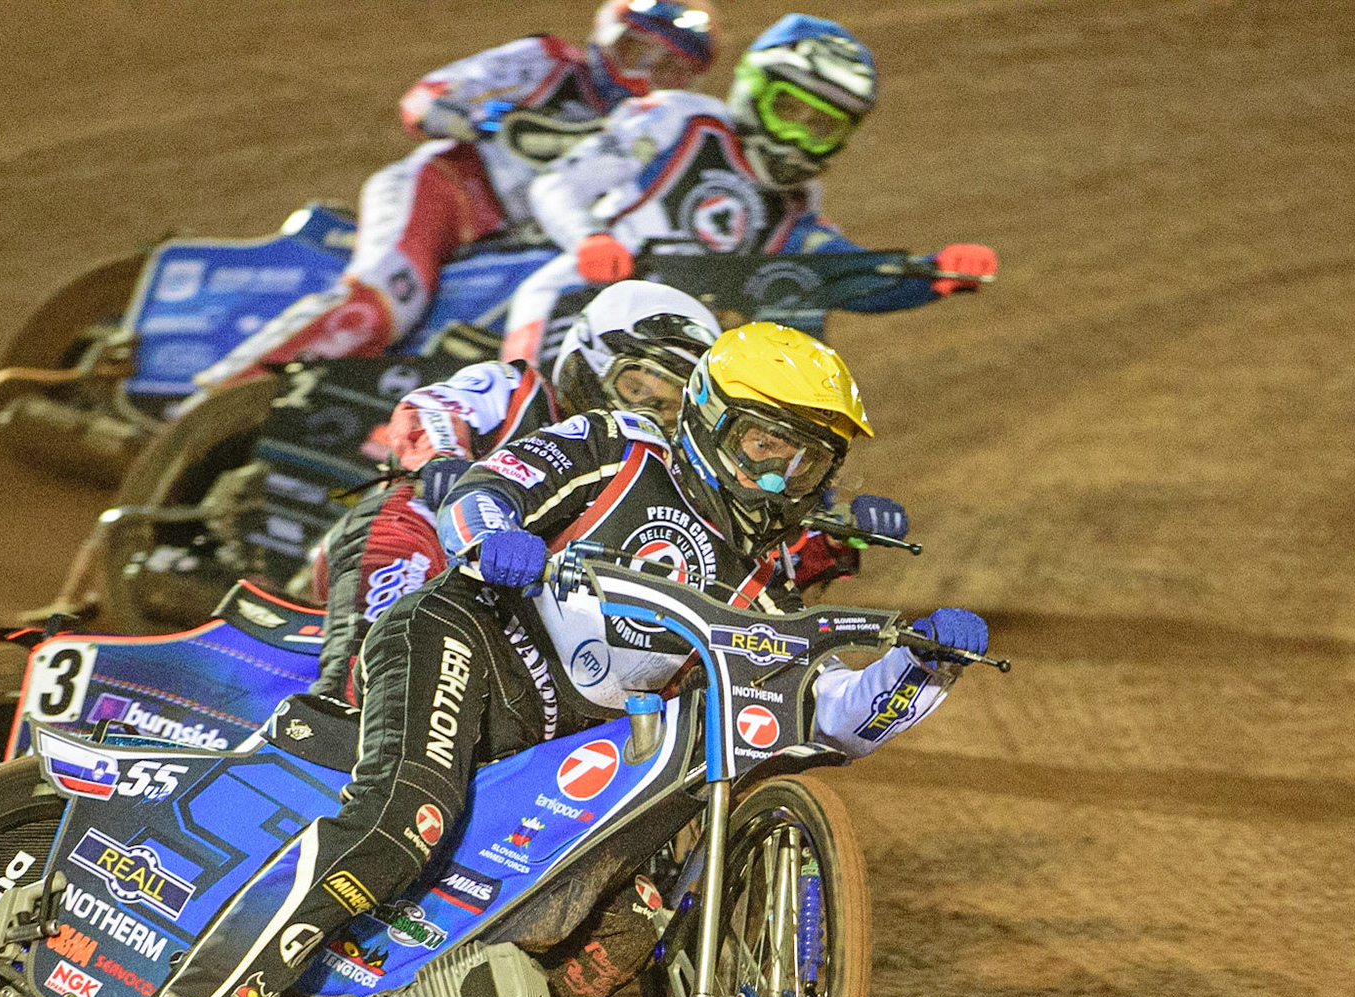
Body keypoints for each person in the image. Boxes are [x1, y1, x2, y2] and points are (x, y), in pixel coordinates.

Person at [97, 320, 987, 997]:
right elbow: (488, 485)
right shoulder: (621, 446)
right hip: (466, 637)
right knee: (404, 818)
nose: (778, 474)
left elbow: (832, 717)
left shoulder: (767, 576)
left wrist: (920, 667)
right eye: (765, 442)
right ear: (713, 414)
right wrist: (496, 536)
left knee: (624, 922)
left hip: (562, 740)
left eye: (807, 461)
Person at [191, 2, 719, 391]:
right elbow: (426, 98)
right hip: (446, 191)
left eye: (668, 68)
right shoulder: (549, 63)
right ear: (608, 35)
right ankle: (209, 396)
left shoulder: (657, 132)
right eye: (636, 52)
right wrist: (477, 116)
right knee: (383, 306)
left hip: (515, 243)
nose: (644, 75)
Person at [500, 12, 999, 365]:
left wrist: (933, 274)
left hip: (677, 341)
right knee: (538, 370)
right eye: (788, 110)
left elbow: (831, 273)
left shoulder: (797, 205)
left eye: (820, 125)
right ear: (753, 89)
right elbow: (558, 184)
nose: (798, 136)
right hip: (591, 295)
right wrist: (590, 239)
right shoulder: (678, 120)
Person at [306, 279, 723, 701]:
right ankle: (344, 695)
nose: (642, 412)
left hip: (530, 633)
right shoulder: (516, 393)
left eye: (666, 405)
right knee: (415, 505)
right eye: (635, 388)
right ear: (588, 360)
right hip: (422, 556)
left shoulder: (661, 478)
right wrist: (445, 457)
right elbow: (433, 406)